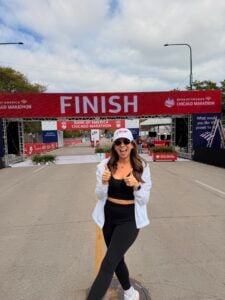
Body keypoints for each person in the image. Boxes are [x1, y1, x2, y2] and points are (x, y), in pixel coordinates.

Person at [87, 128, 152, 300]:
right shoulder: (104, 166)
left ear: (132, 145)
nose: (122, 146)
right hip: (109, 218)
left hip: (129, 220)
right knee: (116, 258)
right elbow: (100, 196)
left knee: (108, 263)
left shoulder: (142, 166)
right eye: (118, 142)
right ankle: (130, 293)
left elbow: (144, 199)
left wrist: (136, 186)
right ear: (114, 146)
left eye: (126, 142)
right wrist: (103, 182)